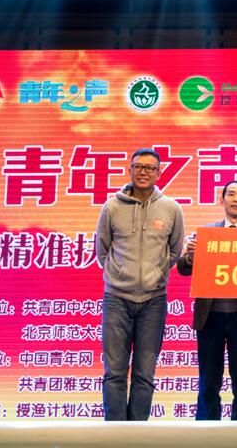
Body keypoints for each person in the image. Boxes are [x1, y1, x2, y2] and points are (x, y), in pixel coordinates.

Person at [96, 148, 185, 421]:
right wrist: (120, 274)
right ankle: (115, 434)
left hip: (153, 301)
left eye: (149, 168)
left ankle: (137, 433)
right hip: (116, 300)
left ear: (159, 173)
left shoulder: (171, 209)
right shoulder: (112, 207)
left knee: (145, 373)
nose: (143, 172)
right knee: (114, 372)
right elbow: (102, 250)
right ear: (130, 170)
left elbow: (174, 251)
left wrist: (156, 273)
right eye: (138, 166)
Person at [177, 180, 237, 420]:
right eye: (231, 194)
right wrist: (191, 257)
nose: (236, 199)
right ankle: (206, 430)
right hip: (209, 316)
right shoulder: (206, 233)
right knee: (208, 379)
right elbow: (183, 268)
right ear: (221, 200)